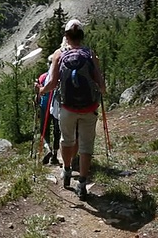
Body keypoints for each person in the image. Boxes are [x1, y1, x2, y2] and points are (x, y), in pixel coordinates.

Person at [37, 19, 105, 201]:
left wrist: (41, 90)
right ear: (82, 36)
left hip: (67, 107)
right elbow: (101, 84)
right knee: (86, 144)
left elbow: (51, 83)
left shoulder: (59, 54)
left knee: (66, 139)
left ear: (66, 37)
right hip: (89, 107)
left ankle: (66, 169)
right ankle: (82, 184)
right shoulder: (90, 54)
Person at [38, 56, 61, 165]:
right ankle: (55, 155)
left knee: (44, 129)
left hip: (45, 106)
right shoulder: (60, 77)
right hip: (57, 107)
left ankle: (48, 148)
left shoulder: (43, 77)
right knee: (57, 130)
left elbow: (39, 93)